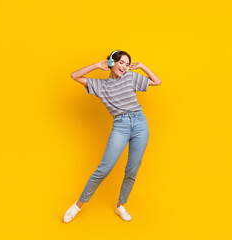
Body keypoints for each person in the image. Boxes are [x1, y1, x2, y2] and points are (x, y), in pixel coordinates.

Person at [63, 50, 162, 223]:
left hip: (140, 123)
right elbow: (74, 76)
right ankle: (78, 205)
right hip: (120, 125)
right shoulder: (100, 85)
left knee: (132, 169)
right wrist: (96, 65)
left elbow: (157, 81)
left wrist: (142, 66)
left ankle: (120, 205)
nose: (124, 66)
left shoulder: (130, 78)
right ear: (111, 62)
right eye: (121, 62)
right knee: (104, 168)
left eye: (126, 63)